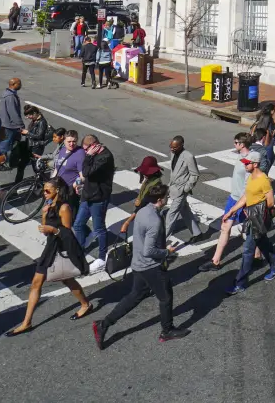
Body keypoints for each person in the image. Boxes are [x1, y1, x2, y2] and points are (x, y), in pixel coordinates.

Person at [93, 183, 189, 348]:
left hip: (137, 264)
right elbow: (149, 250)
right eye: (167, 196)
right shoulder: (154, 220)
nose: (168, 198)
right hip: (150, 266)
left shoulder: (144, 210)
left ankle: (103, 324)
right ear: (160, 199)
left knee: (135, 296)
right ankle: (167, 331)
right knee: (165, 297)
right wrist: (167, 251)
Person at [6, 179, 90, 337]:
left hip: (61, 249)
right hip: (50, 248)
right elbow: (45, 232)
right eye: (43, 190)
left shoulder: (64, 208)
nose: (43, 193)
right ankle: (27, 322)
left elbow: (67, 234)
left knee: (68, 279)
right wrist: (44, 216)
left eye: (47, 191)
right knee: (36, 283)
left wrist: (54, 229)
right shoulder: (48, 206)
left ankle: (85, 304)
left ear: (57, 190)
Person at [224, 152, 275, 295]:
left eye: (247, 163)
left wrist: (257, 211)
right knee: (264, 243)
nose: (245, 165)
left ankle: (239, 283)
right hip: (252, 216)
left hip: (257, 218)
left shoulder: (263, 180)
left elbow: (271, 202)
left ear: (255, 164)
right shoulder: (251, 177)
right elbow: (246, 196)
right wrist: (232, 211)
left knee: (247, 251)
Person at [199, 135, 251, 272]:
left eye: (236, 142)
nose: (234, 144)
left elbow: (249, 184)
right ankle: (215, 261)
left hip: (242, 200)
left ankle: (258, 256)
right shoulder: (240, 157)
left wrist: (242, 204)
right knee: (225, 227)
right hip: (233, 198)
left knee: (252, 231)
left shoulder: (249, 160)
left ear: (242, 144)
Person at [73, 134, 115, 272]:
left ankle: (102, 258)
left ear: (95, 145)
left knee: (99, 229)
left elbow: (86, 172)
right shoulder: (93, 154)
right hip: (88, 195)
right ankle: (79, 250)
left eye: (86, 149)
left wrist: (89, 156)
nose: (85, 152)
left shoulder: (105, 157)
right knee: (78, 224)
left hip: (99, 198)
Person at [164, 136, 204, 241]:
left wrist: (186, 188)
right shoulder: (173, 153)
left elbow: (195, 175)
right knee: (185, 210)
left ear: (181, 145)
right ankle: (197, 233)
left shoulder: (188, 157)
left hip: (181, 189)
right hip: (173, 187)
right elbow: (174, 171)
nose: (172, 149)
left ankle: (161, 242)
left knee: (170, 215)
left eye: (174, 147)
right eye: (171, 146)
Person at [0, 77, 25, 163]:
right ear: (13, 84)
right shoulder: (11, 96)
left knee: (8, 143)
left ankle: (4, 160)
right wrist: (21, 125)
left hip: (6, 124)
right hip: (9, 125)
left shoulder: (7, 93)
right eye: (19, 83)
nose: (20, 85)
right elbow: (13, 113)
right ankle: (1, 162)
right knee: (6, 144)